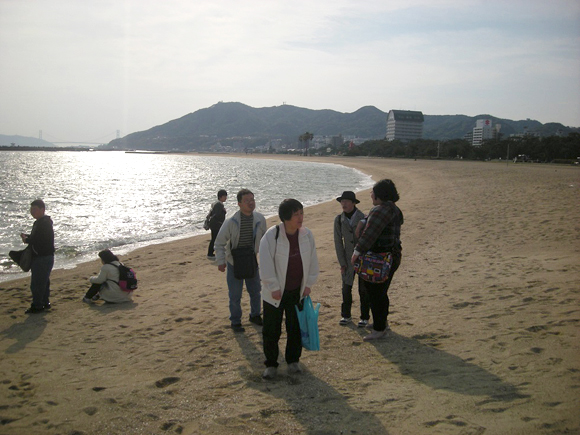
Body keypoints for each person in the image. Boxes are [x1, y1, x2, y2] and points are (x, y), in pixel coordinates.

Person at [259, 199, 319, 379]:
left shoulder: (307, 235)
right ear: (286, 217)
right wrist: (274, 287)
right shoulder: (272, 236)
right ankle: (271, 364)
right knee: (271, 329)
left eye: (301, 213)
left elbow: (313, 262)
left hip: (297, 291)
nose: (300, 217)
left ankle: (293, 361)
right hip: (274, 293)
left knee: (295, 327)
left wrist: (308, 284)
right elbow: (265, 263)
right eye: (296, 214)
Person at [351, 179, 403, 341]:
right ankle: (382, 322)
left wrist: (356, 253)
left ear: (380, 194)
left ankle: (380, 328)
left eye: (373, 191)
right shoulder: (394, 209)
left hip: (379, 259)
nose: (371, 194)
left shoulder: (380, 210)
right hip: (392, 256)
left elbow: (369, 235)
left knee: (375, 293)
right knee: (381, 291)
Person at [215, 189, 266, 332]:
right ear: (239, 204)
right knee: (235, 295)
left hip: (251, 260)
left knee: (255, 291)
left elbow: (264, 242)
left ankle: (255, 315)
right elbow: (219, 243)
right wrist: (221, 261)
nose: (251, 203)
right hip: (234, 262)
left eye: (252, 199)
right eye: (247, 201)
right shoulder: (231, 222)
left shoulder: (260, 219)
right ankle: (235, 321)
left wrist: (267, 260)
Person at [333, 191, 369, 327]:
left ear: (354, 203)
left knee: (363, 289)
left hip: (363, 259)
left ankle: (364, 317)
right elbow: (338, 243)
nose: (344, 204)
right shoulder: (338, 219)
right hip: (347, 260)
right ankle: (346, 316)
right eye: (342, 201)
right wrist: (342, 263)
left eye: (347, 201)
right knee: (346, 288)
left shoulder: (364, 218)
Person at [20, 199, 55, 314]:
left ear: (42, 210)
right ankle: (44, 302)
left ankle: (38, 305)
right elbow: (39, 238)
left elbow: (39, 240)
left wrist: (27, 239)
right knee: (43, 281)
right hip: (45, 256)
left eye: (35, 209)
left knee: (37, 283)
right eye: (31, 209)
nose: (32, 212)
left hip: (42, 257)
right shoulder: (42, 222)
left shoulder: (43, 222)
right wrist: (28, 237)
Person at [207, 189, 228, 260]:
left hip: (215, 225)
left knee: (215, 239)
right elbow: (218, 215)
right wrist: (224, 212)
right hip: (216, 225)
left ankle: (212, 253)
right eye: (225, 196)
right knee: (215, 239)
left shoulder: (217, 203)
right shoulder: (219, 204)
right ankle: (210, 253)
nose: (226, 198)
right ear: (221, 197)